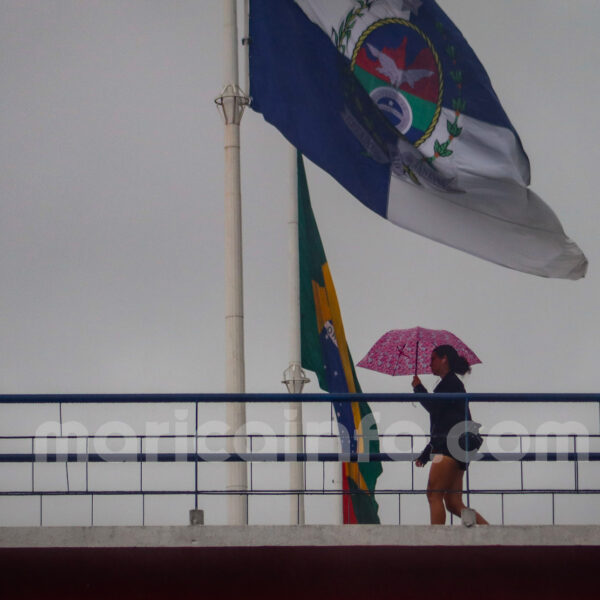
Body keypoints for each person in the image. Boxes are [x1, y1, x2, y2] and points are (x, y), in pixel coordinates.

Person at [412, 344, 488, 525]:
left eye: (433, 359)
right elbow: (443, 424)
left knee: (433, 494)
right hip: (459, 447)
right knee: (454, 503)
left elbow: (434, 409)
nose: (430, 364)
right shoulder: (452, 384)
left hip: (449, 448)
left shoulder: (450, 384)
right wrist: (426, 452)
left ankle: (436, 542)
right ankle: (490, 532)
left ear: (444, 358)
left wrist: (419, 389)